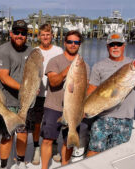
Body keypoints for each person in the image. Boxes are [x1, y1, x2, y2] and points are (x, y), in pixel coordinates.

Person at [86, 32, 135, 157]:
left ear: (124, 46)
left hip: (125, 118)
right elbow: (91, 89)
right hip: (102, 117)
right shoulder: (98, 66)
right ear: (107, 47)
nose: (115, 47)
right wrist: (83, 108)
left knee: (117, 155)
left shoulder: (133, 65)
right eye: (112, 45)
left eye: (118, 44)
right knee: (94, 150)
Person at [40, 30, 90, 168]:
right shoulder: (55, 61)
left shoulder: (85, 66)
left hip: (74, 109)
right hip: (53, 107)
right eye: (70, 42)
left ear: (80, 45)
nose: (73, 45)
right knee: (47, 140)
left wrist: (83, 109)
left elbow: (85, 90)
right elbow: (54, 82)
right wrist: (67, 71)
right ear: (64, 43)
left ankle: (64, 165)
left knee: (68, 142)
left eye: (76, 42)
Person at [0, 20, 33, 169]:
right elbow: (3, 77)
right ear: (11, 33)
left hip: (24, 102)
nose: (19, 35)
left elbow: (36, 74)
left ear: (26, 35)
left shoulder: (31, 52)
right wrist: (26, 89)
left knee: (22, 133)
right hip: (6, 102)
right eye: (16, 32)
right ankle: (3, 166)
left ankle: (20, 163)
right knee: (8, 135)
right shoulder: (2, 51)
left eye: (23, 33)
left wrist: (33, 87)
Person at [31, 23, 63, 165]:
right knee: (37, 123)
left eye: (48, 34)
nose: (45, 37)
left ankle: (54, 145)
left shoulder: (58, 50)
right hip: (38, 94)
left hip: (54, 93)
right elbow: (30, 72)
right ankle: (37, 147)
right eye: (43, 34)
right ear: (39, 36)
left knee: (55, 121)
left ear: (52, 36)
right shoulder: (34, 51)